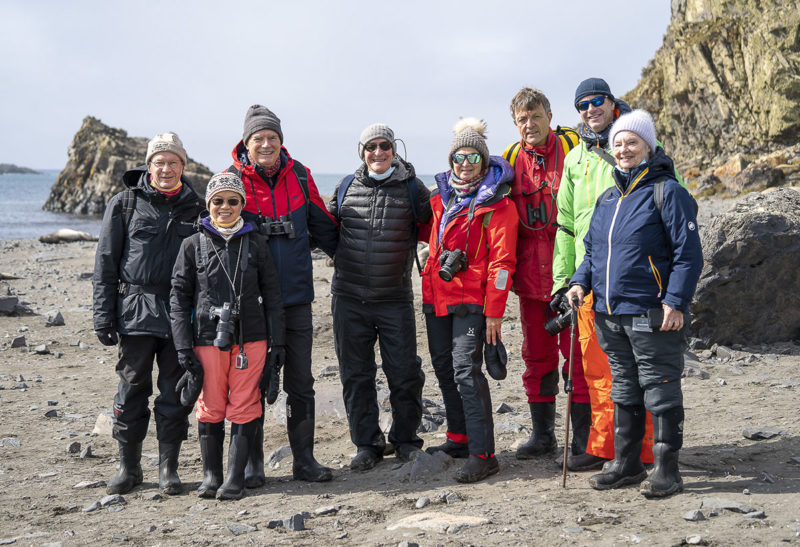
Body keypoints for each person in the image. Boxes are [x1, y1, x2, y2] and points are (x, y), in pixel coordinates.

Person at [565, 109, 702, 497]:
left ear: (648, 146)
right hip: (609, 312)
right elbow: (592, 253)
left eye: (632, 142)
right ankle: (626, 464)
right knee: (623, 387)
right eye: (619, 143)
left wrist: (675, 302)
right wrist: (578, 283)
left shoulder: (668, 191)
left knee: (659, 387)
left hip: (652, 311)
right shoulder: (609, 198)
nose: (624, 149)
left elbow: (689, 254)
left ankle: (666, 470)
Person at [552, 78, 660, 471]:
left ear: (612, 103)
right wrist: (562, 280)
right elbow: (565, 224)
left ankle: (643, 451)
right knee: (596, 370)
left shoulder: (637, 146)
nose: (589, 109)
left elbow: (673, 208)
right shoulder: (574, 159)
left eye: (596, 101)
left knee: (638, 370)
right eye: (582, 104)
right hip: (588, 282)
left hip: (634, 281)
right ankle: (603, 447)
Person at [230, 105, 338, 485]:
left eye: (272, 137)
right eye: (258, 138)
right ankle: (251, 464)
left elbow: (325, 227)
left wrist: (357, 265)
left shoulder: (301, 176)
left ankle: (304, 460)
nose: (265, 144)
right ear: (247, 142)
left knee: (301, 382)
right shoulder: (232, 181)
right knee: (252, 382)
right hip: (251, 303)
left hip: (295, 297)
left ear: (281, 141)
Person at [93, 132, 205, 495]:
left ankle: (168, 469)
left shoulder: (198, 208)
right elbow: (105, 263)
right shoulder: (124, 204)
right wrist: (103, 315)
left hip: (180, 317)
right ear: (149, 165)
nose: (167, 168)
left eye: (174, 162)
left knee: (174, 394)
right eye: (160, 162)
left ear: (183, 167)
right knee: (130, 391)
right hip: (135, 313)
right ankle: (129, 468)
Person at [170, 172, 286, 500]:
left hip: (252, 339)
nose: (225, 206)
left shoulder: (257, 243)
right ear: (208, 205)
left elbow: (274, 297)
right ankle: (211, 477)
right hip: (206, 339)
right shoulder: (192, 245)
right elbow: (178, 299)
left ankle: (234, 478)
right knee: (210, 406)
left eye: (233, 201)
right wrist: (182, 347)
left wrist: (278, 344)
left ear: (242, 205)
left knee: (246, 404)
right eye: (218, 201)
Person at [328, 124, 432, 470]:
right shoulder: (345, 187)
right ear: (362, 152)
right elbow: (326, 232)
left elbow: (436, 229)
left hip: (394, 298)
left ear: (394, 148)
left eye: (384, 145)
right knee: (355, 375)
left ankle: (405, 440)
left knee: (404, 373)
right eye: (370, 146)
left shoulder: (413, 188)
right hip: (348, 298)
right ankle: (367, 444)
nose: (377, 152)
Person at [422, 118, 518, 482]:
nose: (465, 164)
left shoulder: (498, 204)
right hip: (437, 296)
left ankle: (483, 454)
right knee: (444, 368)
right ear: (451, 161)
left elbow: (504, 263)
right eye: (458, 157)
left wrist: (495, 311)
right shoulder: (440, 199)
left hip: (474, 300)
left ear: (483, 160)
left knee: (466, 370)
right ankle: (458, 438)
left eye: (473, 157)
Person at [500, 88, 591, 462]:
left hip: (569, 278)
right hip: (530, 282)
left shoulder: (573, 148)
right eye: (522, 119)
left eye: (535, 116)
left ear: (549, 116)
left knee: (579, 357)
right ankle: (543, 436)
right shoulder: (507, 161)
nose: (529, 124)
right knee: (536, 357)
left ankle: (584, 439)